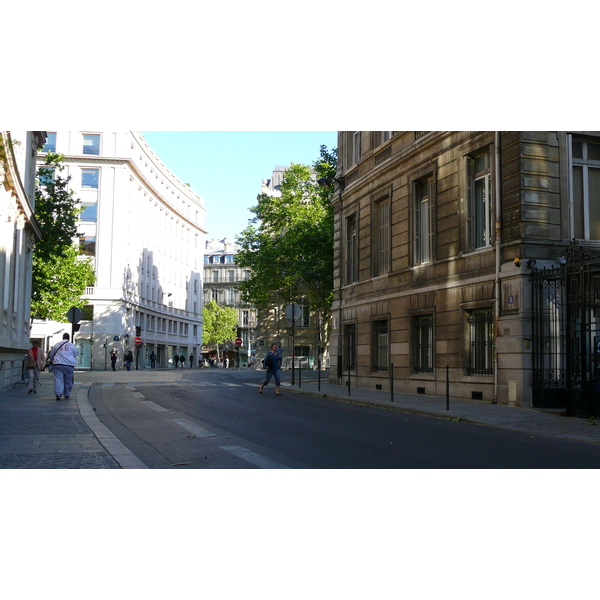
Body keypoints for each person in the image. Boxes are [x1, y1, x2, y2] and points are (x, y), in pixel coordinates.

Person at [48, 333, 78, 401]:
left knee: (58, 379)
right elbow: (75, 354)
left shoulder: (57, 344)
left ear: (62, 337)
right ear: (69, 338)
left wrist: (52, 360)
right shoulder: (72, 345)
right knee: (68, 380)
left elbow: (51, 354)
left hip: (57, 364)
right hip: (69, 365)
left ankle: (58, 394)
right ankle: (67, 394)